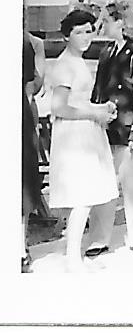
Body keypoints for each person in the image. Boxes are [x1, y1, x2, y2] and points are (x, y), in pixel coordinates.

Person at [46, 9, 119, 272]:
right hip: (74, 134)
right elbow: (60, 107)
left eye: (89, 31)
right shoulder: (65, 64)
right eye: (79, 32)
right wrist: (94, 113)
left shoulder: (78, 62)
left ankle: (74, 251)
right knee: (82, 195)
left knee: (86, 194)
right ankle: (73, 258)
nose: (85, 37)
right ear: (67, 36)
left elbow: (80, 99)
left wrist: (101, 108)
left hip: (85, 130)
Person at [89, 2, 133, 255]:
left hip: (128, 127)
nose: (103, 26)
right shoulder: (107, 52)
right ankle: (100, 238)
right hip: (106, 127)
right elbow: (99, 89)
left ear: (119, 22)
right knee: (104, 183)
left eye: (107, 21)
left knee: (131, 184)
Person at [22, 27, 44, 272]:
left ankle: (20, 246)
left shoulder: (30, 42)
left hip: (23, 110)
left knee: (24, 180)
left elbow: (35, 82)